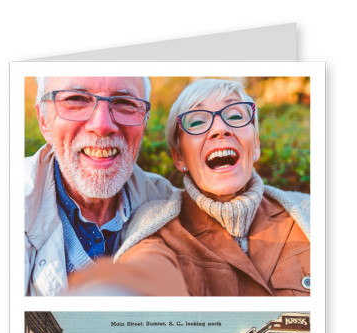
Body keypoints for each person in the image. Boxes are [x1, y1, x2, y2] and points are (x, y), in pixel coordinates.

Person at [68, 78, 310, 296]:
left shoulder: (309, 213)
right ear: (179, 157)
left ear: (255, 144)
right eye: (197, 121)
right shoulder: (157, 228)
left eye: (235, 116)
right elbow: (147, 270)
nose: (220, 129)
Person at [25, 76, 179, 296]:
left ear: (144, 121)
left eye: (125, 103)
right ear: (43, 120)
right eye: (76, 99)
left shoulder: (168, 204)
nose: (102, 125)